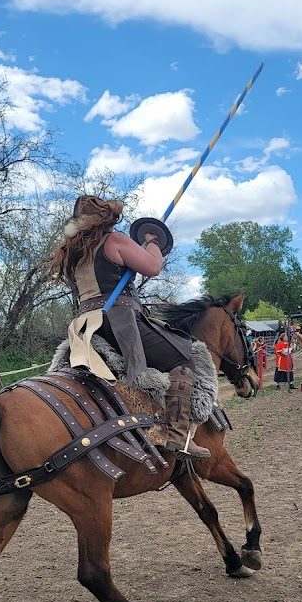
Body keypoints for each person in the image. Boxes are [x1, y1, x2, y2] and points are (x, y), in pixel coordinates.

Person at [49, 195, 210, 460]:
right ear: (106, 217)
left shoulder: (72, 252)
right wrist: (152, 241)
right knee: (186, 357)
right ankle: (178, 437)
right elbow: (153, 267)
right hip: (119, 321)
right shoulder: (114, 241)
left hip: (86, 325)